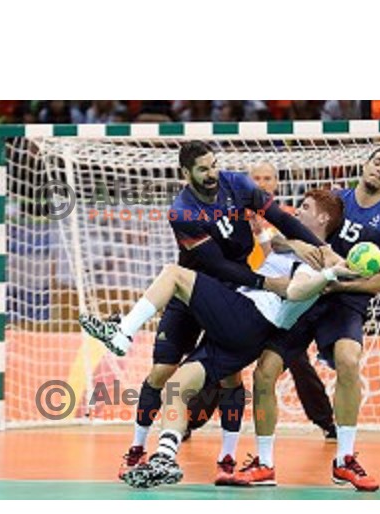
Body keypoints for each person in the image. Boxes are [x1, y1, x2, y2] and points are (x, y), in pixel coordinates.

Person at [79, 189, 350, 488]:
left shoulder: (318, 262)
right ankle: (164, 458)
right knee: (176, 387)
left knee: (174, 274)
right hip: (245, 337)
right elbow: (277, 243)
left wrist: (330, 274)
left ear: (323, 218)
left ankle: (122, 333)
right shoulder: (294, 247)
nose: (297, 212)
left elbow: (297, 290)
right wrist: (293, 243)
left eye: (305, 207)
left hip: (247, 314)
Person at [116, 141, 326, 484]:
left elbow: (279, 229)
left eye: (214, 164)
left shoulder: (241, 189)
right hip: (196, 291)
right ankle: (138, 449)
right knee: (161, 372)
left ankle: (226, 457)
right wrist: (268, 279)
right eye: (203, 169)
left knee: (231, 378)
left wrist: (319, 249)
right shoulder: (183, 211)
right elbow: (217, 264)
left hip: (235, 294)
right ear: (186, 173)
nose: (211, 172)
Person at [231, 147, 380, 491]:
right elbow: (281, 240)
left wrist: (341, 284)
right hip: (305, 293)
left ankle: (344, 460)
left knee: (348, 360)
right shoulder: (334, 200)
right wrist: (298, 248)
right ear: (366, 164)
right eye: (377, 162)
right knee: (264, 371)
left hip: (345, 303)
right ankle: (264, 463)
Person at [249, 161, 337, 439]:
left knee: (298, 362)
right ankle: (190, 421)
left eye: (267, 178)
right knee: (223, 360)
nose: (262, 183)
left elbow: (278, 252)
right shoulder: (235, 214)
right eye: (256, 178)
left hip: (281, 298)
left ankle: (326, 421)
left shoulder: (288, 216)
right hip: (245, 294)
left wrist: (278, 239)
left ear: (276, 183)